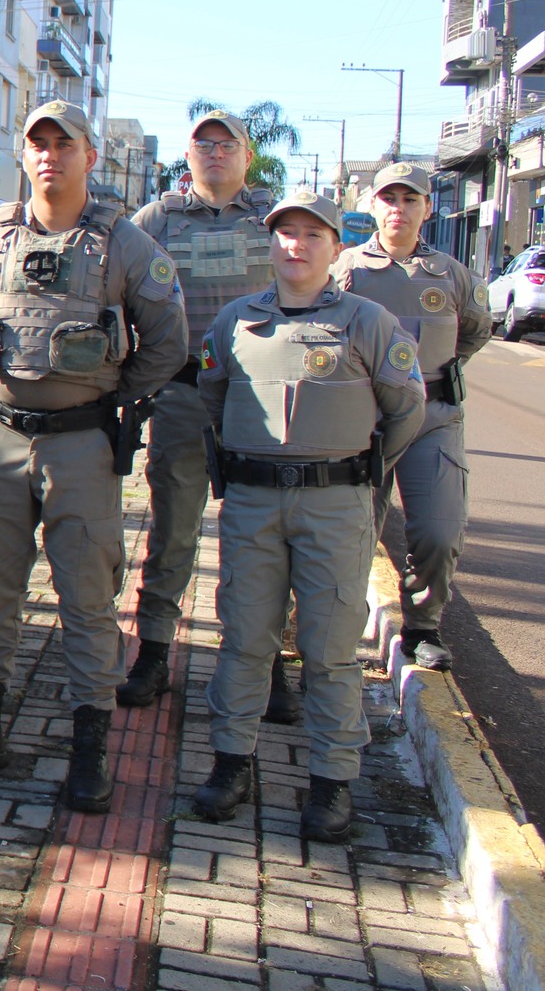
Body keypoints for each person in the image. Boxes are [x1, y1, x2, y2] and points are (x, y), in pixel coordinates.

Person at [0, 99, 187, 812]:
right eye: (37, 144)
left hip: (82, 446)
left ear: (89, 157)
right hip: (1, 438)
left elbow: (168, 339)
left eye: (63, 144)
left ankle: (89, 745)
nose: (50, 155)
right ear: (24, 155)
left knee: (86, 598)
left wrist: (108, 394)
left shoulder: (124, 245)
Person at [191, 190, 425, 841]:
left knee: (330, 649)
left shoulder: (368, 321)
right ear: (271, 244)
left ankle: (331, 782)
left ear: (334, 246)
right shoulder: (235, 321)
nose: (296, 244)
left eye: (312, 234)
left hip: (336, 503)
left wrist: (353, 466)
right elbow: (212, 395)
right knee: (244, 639)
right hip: (254, 503)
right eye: (285, 233)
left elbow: (405, 407)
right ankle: (232, 765)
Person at [122, 110, 284, 714]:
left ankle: (263, 663)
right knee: (172, 532)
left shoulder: (275, 221)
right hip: (185, 394)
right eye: (202, 144)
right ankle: (155, 652)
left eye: (227, 144)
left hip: (259, 401)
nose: (214, 153)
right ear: (187, 157)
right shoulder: (155, 221)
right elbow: (119, 292)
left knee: (262, 536)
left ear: (247, 155)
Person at [336, 161, 491, 671]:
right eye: (389, 198)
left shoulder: (453, 275)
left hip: (433, 419)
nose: (398, 209)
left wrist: (431, 376)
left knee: (440, 532)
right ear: (373, 205)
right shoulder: (345, 271)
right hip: (364, 421)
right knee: (351, 531)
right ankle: (333, 629)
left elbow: (473, 332)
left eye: (410, 199)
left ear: (428, 207)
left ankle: (422, 627)